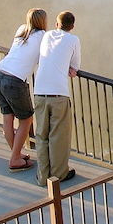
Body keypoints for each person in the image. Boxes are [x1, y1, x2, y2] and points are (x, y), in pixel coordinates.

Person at [0, 8, 48, 172]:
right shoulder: (43, 37)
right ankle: (15, 159)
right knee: (27, 119)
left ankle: (16, 155)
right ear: (43, 21)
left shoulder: (21, 30)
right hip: (15, 81)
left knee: (7, 119)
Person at [34, 10, 81, 186]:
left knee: (41, 134)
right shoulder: (74, 40)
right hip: (59, 94)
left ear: (56, 24)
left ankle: (42, 176)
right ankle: (58, 175)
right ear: (72, 26)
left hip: (39, 92)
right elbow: (75, 67)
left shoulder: (46, 36)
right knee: (58, 136)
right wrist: (71, 69)